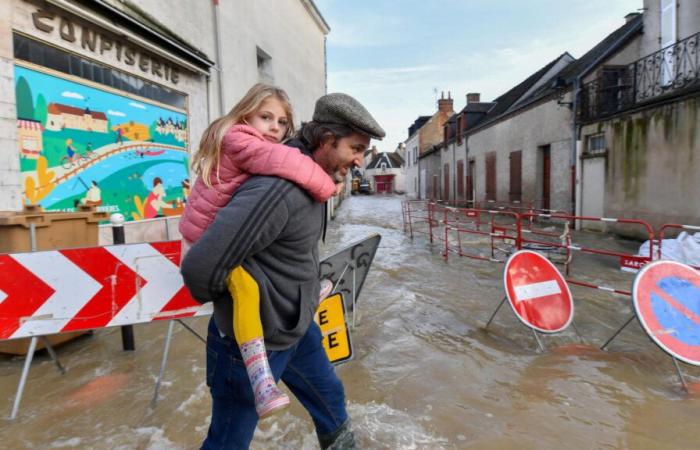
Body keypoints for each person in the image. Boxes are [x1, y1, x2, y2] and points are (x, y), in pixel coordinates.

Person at [181, 92, 384, 449]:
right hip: (252, 343)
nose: (359, 160)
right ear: (325, 140)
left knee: (331, 402)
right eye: (355, 148)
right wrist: (243, 305)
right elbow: (200, 268)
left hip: (298, 329)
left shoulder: (311, 179)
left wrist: (299, 295)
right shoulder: (280, 189)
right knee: (228, 442)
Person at [179, 84, 338, 419]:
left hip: (289, 318)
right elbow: (284, 160)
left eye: (281, 123)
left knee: (331, 398)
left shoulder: (246, 146)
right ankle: (260, 379)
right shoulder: (240, 140)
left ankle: (307, 296)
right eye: (266, 117)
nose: (274, 129)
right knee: (247, 290)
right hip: (201, 239)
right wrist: (326, 186)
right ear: (245, 114)